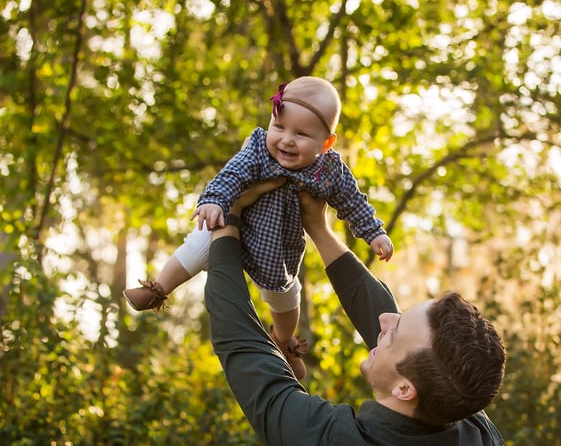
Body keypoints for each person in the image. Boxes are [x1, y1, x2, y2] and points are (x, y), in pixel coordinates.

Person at [204, 180, 506, 446]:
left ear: (405, 389)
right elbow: (389, 321)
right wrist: (317, 227)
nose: (384, 322)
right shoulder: (477, 442)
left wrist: (228, 218)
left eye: (395, 331)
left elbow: (241, 343)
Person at [123, 76, 393, 379]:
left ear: (326, 142)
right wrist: (213, 200)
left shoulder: (329, 170)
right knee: (196, 248)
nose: (286, 139)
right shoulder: (258, 148)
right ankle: (158, 288)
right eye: (279, 127)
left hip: (277, 248)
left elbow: (353, 202)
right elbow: (233, 173)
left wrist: (374, 232)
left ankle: (284, 341)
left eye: (301, 134)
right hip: (230, 221)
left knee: (287, 297)